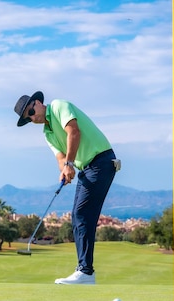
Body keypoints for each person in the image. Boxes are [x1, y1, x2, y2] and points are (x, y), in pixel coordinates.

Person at [14, 91, 120, 285]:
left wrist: (69, 164)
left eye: (30, 111)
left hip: (102, 161)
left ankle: (86, 272)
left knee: (81, 214)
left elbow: (74, 132)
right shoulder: (47, 133)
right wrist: (65, 168)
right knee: (79, 215)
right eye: (27, 118)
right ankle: (85, 270)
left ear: (37, 102)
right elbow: (60, 158)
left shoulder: (58, 106)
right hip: (87, 168)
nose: (32, 117)